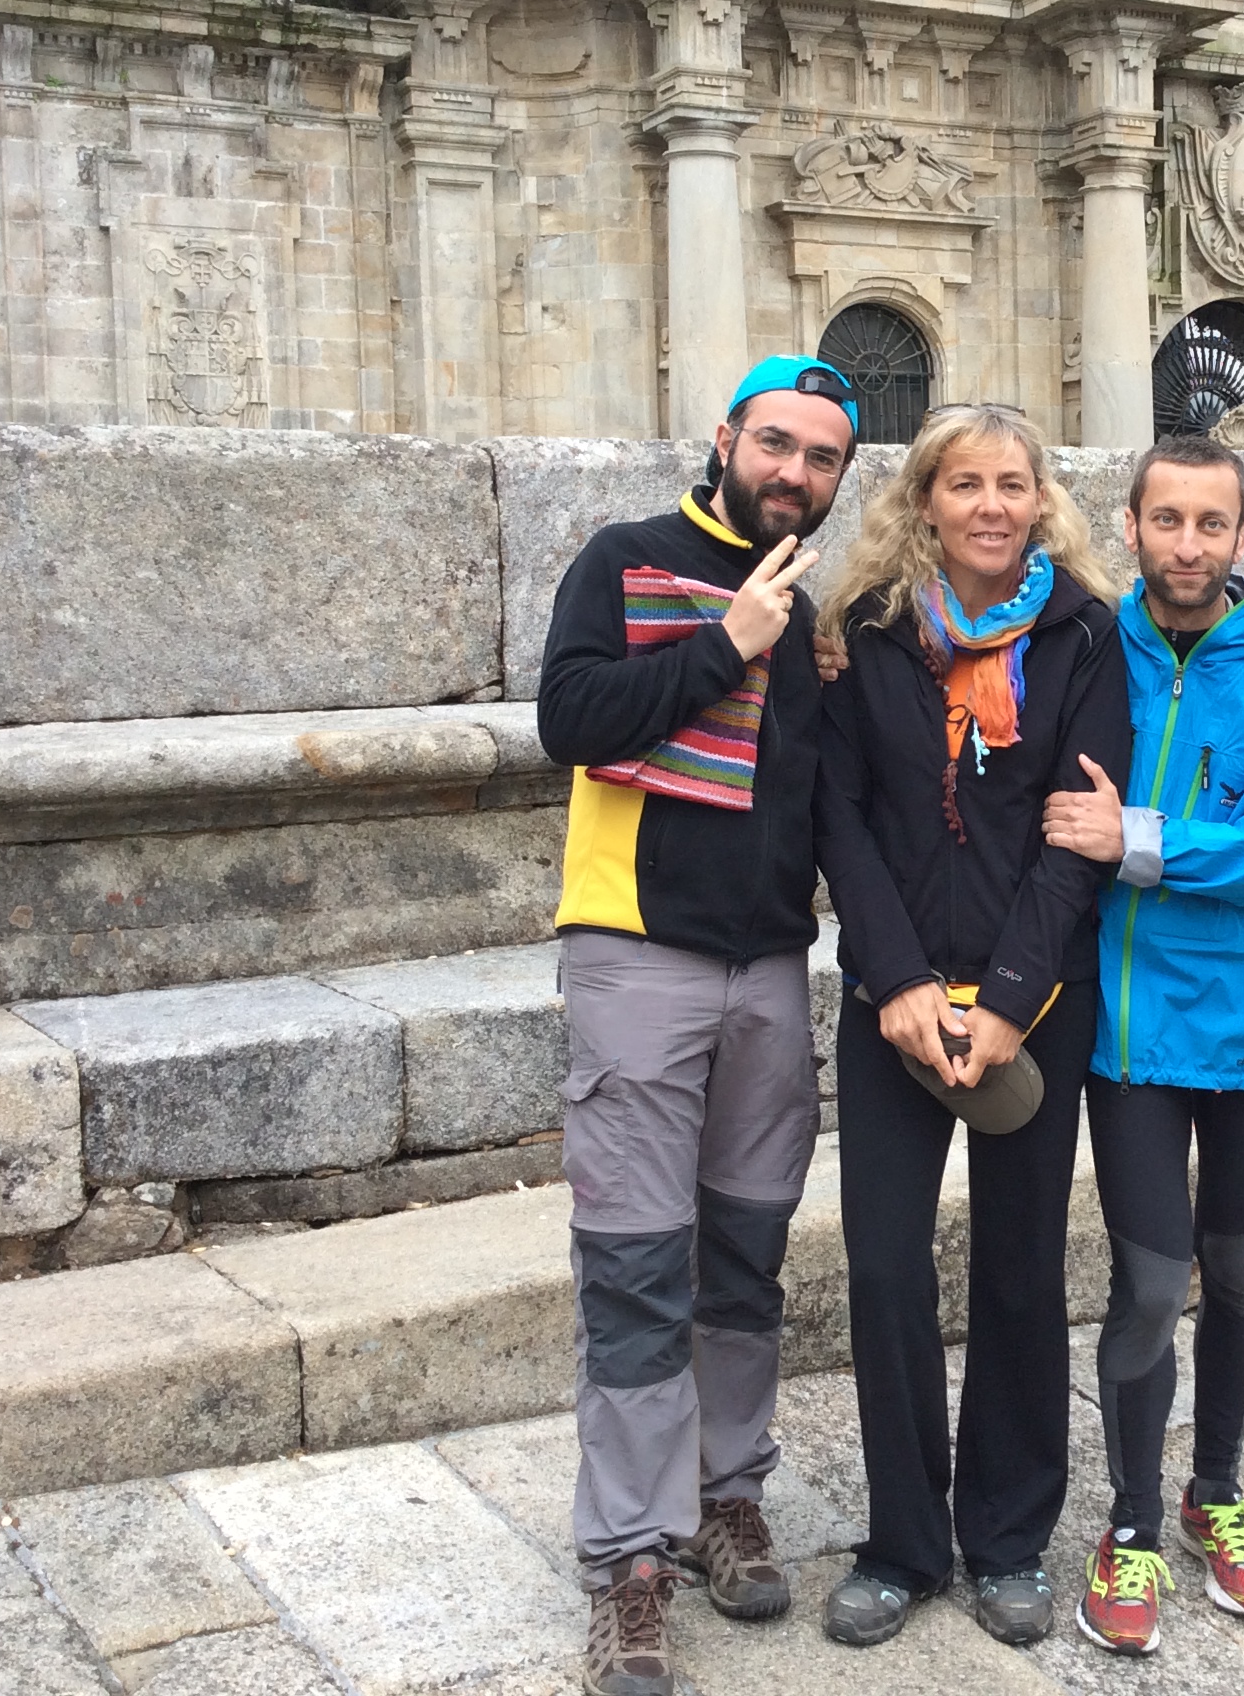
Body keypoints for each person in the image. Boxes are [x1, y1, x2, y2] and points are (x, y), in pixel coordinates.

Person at [535, 355, 861, 1696]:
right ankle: (629, 1559)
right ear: (724, 437)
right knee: (631, 1267)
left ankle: (729, 1497)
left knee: (742, 1260)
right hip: (636, 960)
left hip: (769, 971)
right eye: (776, 443)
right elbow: (572, 719)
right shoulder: (625, 559)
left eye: (822, 458)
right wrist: (726, 642)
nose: (794, 472)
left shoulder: (820, 616)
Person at [811, 404, 1134, 1650]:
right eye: (965, 485)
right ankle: (902, 1542)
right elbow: (843, 818)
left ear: (1041, 500)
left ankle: (1006, 1540)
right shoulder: (869, 636)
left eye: (1013, 484)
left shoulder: (1083, 637)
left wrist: (1005, 1001)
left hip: (1033, 1001)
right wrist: (893, 982)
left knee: (1018, 1269)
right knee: (888, 1268)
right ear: (925, 501)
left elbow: (1080, 832)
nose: (991, 506)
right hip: (890, 995)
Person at [1040, 434, 1244, 1658]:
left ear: (1240, 536)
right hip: (1129, 1031)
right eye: (1165, 520)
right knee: (1148, 1280)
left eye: (1210, 524)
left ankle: (1212, 1488)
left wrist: (1138, 839)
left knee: (1238, 1271)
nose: (1187, 545)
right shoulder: (1091, 646)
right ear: (1132, 526)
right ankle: (1125, 1520)